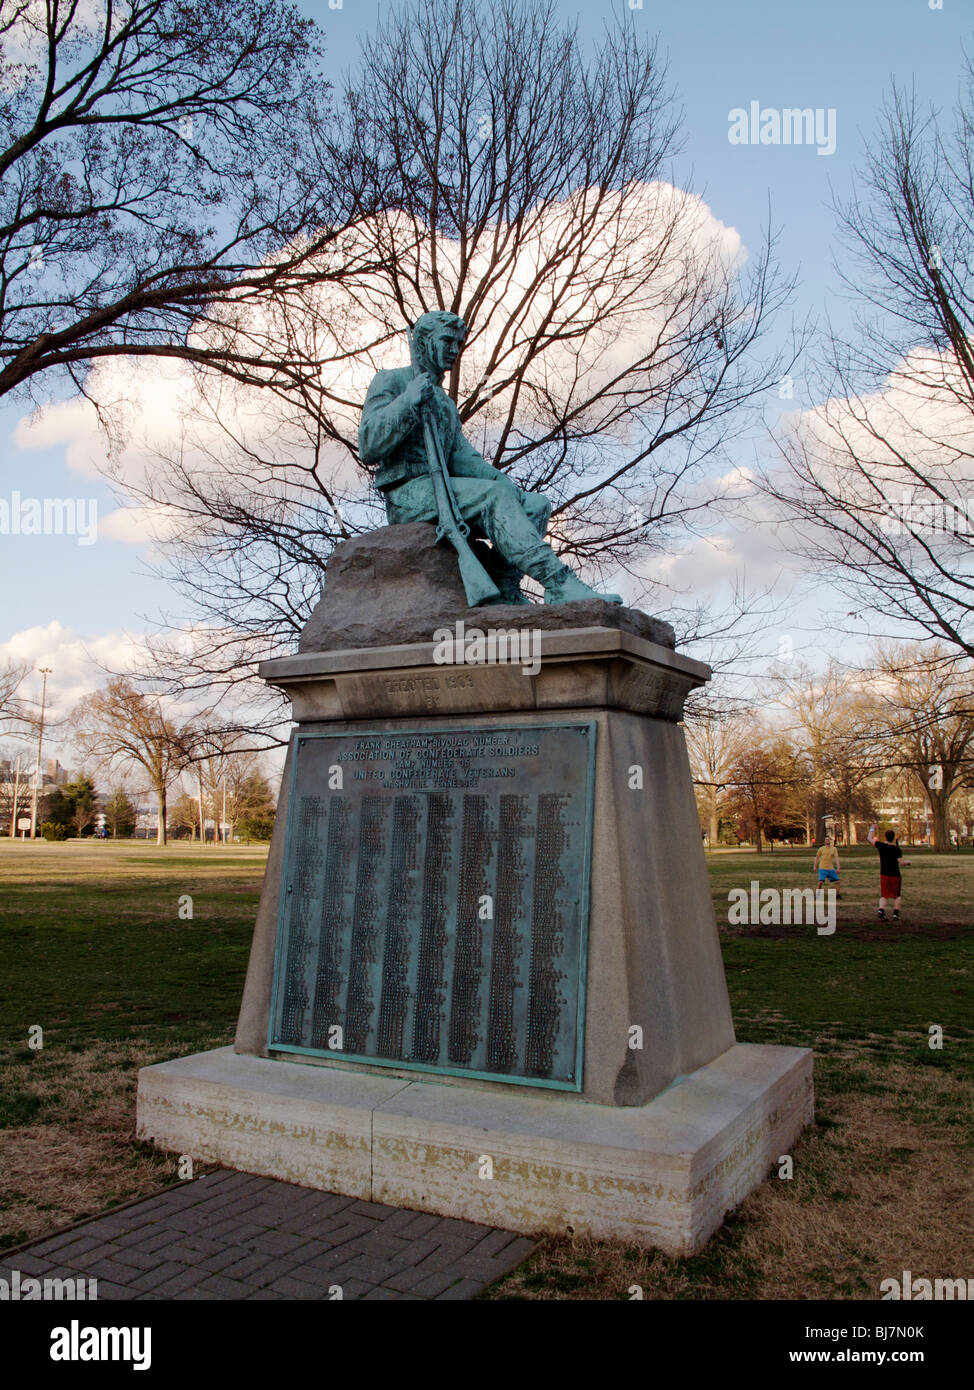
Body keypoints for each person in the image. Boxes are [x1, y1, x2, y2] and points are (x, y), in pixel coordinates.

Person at [359, 310, 623, 605]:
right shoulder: (391, 382)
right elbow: (369, 445)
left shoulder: (445, 404)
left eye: (458, 344)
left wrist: (503, 483)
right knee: (493, 497)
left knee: (535, 505)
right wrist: (409, 400)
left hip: (443, 488)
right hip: (408, 495)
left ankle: (506, 586)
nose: (454, 351)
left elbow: (462, 458)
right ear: (422, 343)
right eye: (447, 341)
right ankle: (559, 583)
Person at [867, 824, 912, 921]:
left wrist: (872, 828)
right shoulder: (896, 849)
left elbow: (869, 838)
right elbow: (901, 863)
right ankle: (895, 914)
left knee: (884, 894)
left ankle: (881, 910)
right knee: (897, 895)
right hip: (895, 875)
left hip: (884, 874)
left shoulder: (881, 846)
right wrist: (908, 862)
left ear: (886, 837)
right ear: (893, 838)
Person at [813, 835, 841, 899]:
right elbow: (817, 857)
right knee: (820, 882)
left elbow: (836, 858)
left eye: (828, 839)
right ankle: (818, 894)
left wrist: (838, 868)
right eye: (826, 840)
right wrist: (815, 866)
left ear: (830, 841)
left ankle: (837, 894)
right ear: (824, 841)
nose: (827, 841)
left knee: (837, 881)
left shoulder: (834, 849)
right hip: (822, 868)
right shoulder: (821, 849)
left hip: (830, 869)